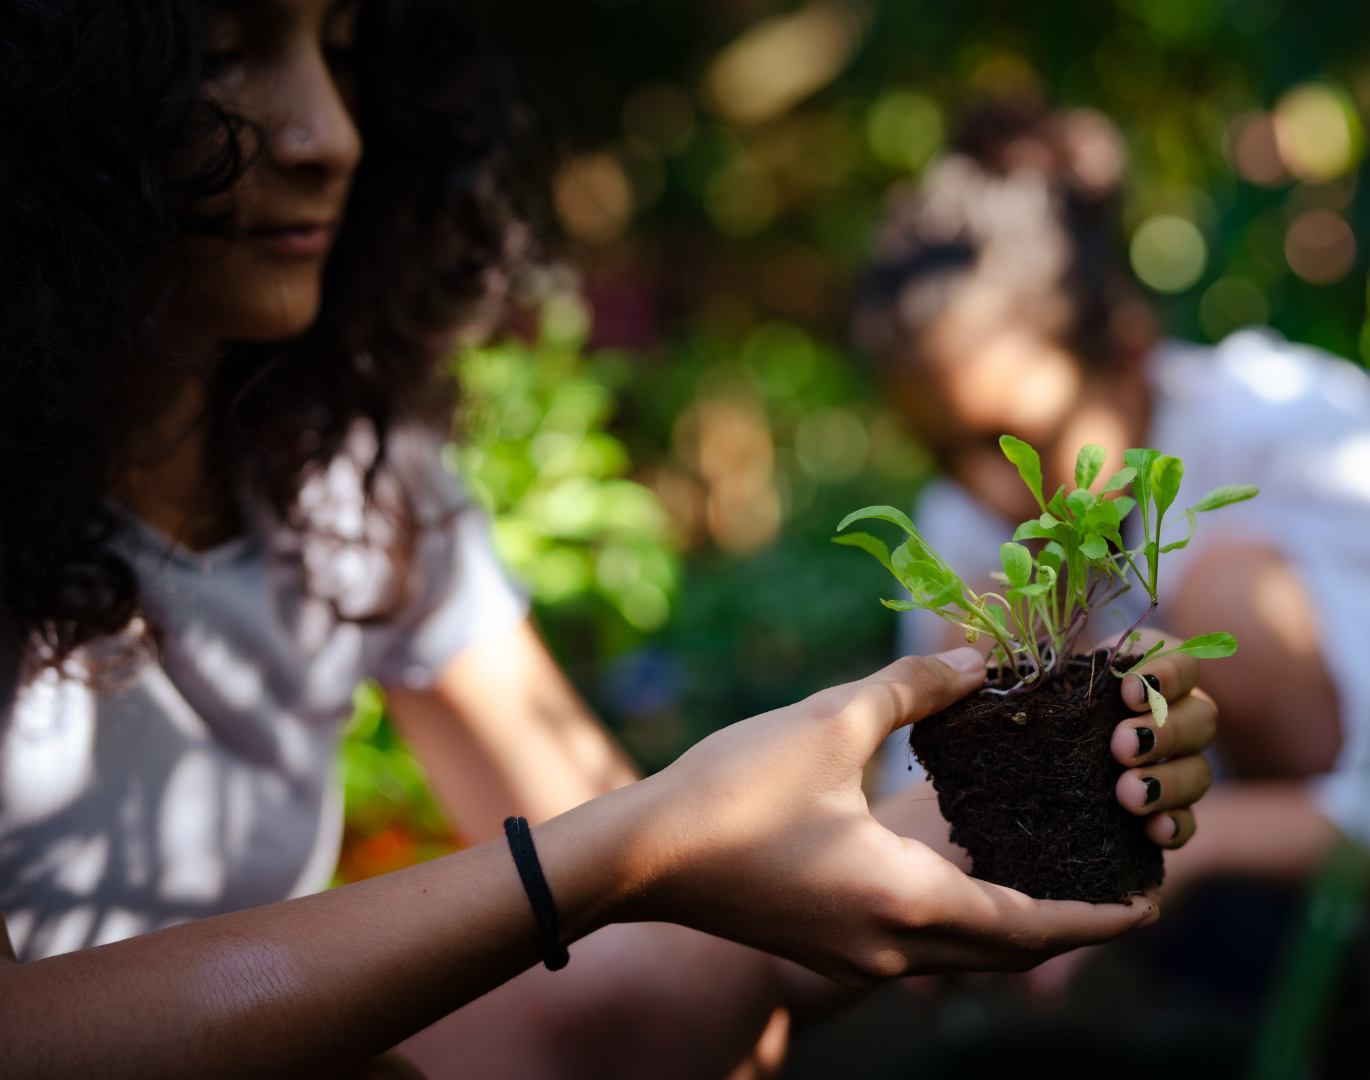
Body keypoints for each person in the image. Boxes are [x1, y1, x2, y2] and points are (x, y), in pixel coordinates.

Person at [0, 4, 1217, 1077]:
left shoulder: (342, 481)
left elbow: (666, 895)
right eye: (223, 54)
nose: (329, 133)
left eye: (340, 50)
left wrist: (1036, 785)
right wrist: (619, 852)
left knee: (681, 989)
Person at [851, 101, 1370, 1004]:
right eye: (946, 454)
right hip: (1232, 900)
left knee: (1226, 601)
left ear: (1132, 348)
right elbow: (913, 790)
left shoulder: (1292, 427)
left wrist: (1180, 846)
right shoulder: (967, 525)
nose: (989, 492)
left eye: (1019, 436)